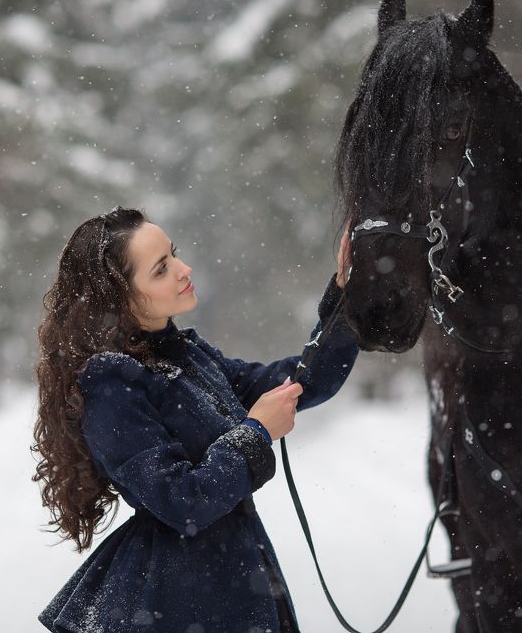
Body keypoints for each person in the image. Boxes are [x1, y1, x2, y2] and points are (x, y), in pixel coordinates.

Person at [32, 206, 358, 633]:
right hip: (175, 599)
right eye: (161, 269)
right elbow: (181, 501)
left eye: (175, 254)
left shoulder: (188, 356)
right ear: (120, 296)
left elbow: (304, 381)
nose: (184, 269)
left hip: (236, 577)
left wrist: (348, 291)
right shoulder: (110, 384)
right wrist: (255, 432)